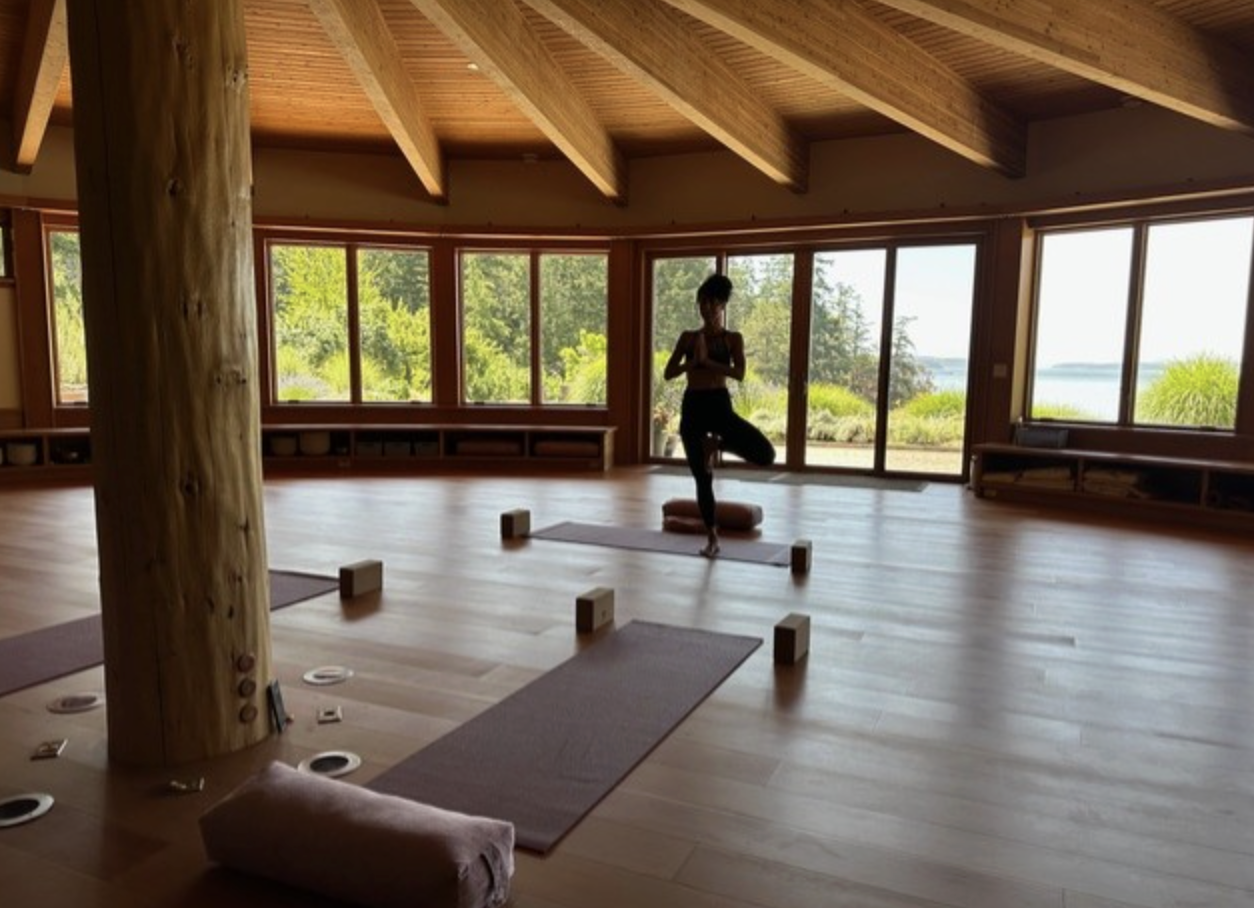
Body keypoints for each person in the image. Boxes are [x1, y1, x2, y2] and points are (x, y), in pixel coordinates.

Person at [663, 273, 776, 557]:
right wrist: (693, 363)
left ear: (722, 307)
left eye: (713, 305)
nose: (708, 310)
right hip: (693, 408)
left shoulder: (732, 339)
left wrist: (708, 362)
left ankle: (718, 445)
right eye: (703, 304)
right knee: (702, 478)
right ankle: (712, 539)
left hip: (719, 405)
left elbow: (739, 373)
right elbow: (668, 373)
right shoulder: (688, 338)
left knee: (766, 454)